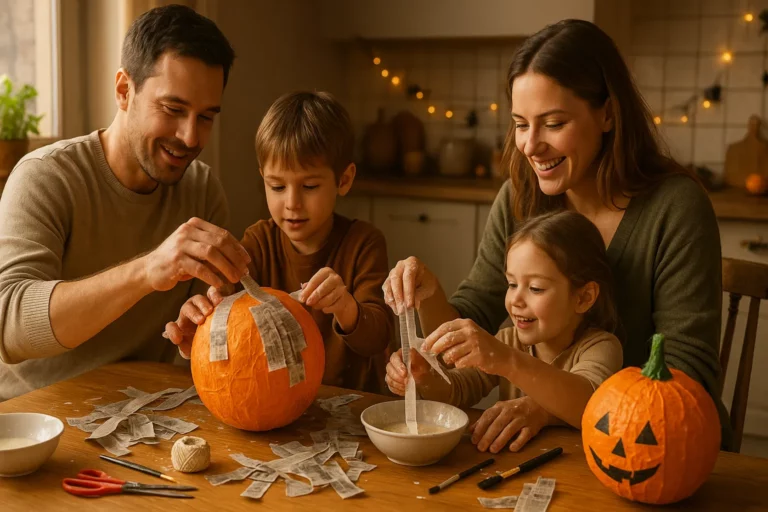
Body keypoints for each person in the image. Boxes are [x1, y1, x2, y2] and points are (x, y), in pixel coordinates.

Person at [383, 19, 732, 450]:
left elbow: (686, 378)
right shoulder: (519, 196)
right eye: (521, 124)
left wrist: (546, 407)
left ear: (607, 114)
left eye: (552, 123)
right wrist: (429, 293)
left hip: (653, 449)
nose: (530, 145)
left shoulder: (675, 207)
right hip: (557, 451)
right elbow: (470, 324)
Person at [0, 5, 250, 401]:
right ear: (123, 90)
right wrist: (148, 270)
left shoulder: (203, 192)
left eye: (206, 117)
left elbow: (203, 341)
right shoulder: (45, 178)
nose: (190, 137)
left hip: (148, 412)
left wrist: (200, 329)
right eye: (173, 109)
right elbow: (9, 327)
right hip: (35, 418)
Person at [165, 91, 394, 393]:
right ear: (263, 178)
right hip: (276, 400)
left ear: (344, 180)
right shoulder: (258, 243)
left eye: (309, 186)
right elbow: (228, 318)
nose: (292, 203)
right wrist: (200, 327)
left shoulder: (364, 244)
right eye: (277, 186)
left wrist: (346, 306)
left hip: (351, 404)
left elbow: (378, 338)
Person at [386, 211, 622, 452]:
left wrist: (506, 360)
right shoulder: (508, 340)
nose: (515, 300)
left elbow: (591, 406)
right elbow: (458, 390)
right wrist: (424, 377)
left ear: (584, 298)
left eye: (535, 288)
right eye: (511, 284)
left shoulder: (601, 347)